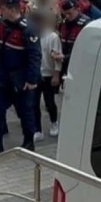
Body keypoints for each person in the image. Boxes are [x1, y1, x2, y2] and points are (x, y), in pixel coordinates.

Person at [0, 0, 41, 157]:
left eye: (3, 9)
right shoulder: (2, 25)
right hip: (2, 76)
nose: (0, 11)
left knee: (25, 111)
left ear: (11, 9)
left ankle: (28, 142)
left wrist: (32, 79)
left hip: (20, 78)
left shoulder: (28, 29)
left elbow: (34, 55)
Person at [30, 11, 62, 143]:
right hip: (36, 75)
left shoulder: (53, 37)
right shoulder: (31, 36)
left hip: (48, 75)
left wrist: (56, 75)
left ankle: (54, 122)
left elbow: (57, 58)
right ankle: (38, 129)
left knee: (49, 102)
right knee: (34, 103)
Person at [58, 0, 91, 82]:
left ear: (77, 9)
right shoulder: (63, 23)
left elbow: (85, 51)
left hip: (77, 66)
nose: (67, 16)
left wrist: (65, 58)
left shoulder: (85, 25)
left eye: (70, 13)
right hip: (63, 64)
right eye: (65, 14)